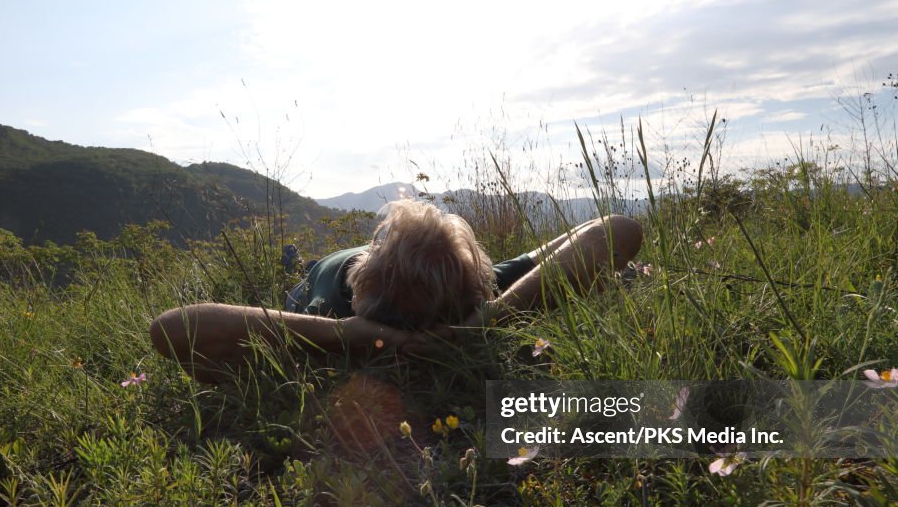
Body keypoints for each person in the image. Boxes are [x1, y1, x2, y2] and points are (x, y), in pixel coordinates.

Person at [150, 200, 643, 382]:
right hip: (321, 272)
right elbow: (172, 329)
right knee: (297, 266)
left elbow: (619, 229)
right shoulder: (328, 307)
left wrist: (485, 320)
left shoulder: (469, 290)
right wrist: (345, 333)